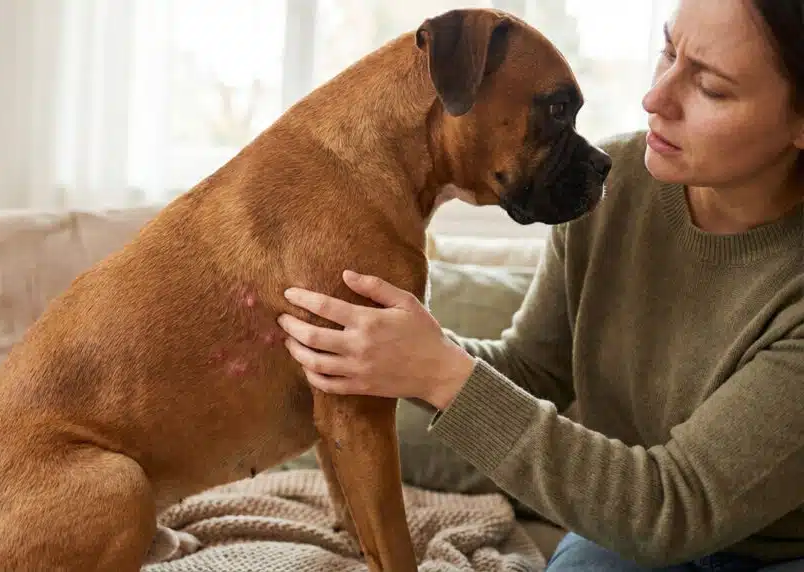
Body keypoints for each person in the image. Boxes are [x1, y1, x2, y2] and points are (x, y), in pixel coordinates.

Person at [275, 0, 804, 570]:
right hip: (623, 534)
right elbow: (533, 371)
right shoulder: (618, 181)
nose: (655, 99)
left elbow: (671, 508)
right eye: (669, 52)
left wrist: (437, 371)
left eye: (712, 88)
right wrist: (403, 352)